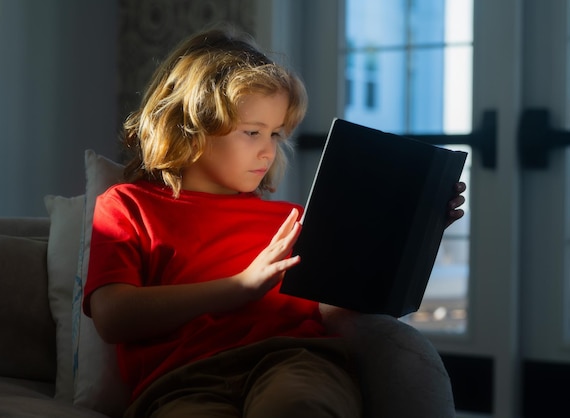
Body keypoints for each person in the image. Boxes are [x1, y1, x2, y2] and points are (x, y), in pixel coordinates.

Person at [83, 25, 467, 418]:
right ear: (191, 126)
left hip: (293, 360)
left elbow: (354, 305)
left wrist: (415, 236)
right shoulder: (128, 206)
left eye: (277, 134)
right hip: (182, 380)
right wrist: (240, 287)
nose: (268, 151)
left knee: (299, 406)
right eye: (252, 133)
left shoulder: (294, 221)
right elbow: (114, 317)